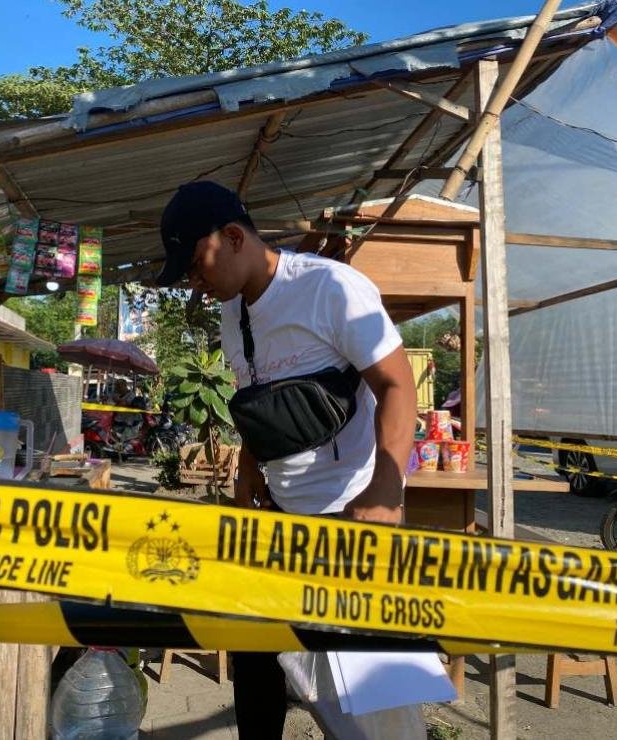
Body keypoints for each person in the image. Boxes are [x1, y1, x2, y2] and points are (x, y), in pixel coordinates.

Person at [157, 181, 420, 738]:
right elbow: (258, 396)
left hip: (349, 517)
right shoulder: (234, 312)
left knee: (374, 704)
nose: (193, 282)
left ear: (232, 237)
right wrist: (250, 472)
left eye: (196, 264)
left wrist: (385, 491)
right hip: (277, 522)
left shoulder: (331, 288)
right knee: (259, 668)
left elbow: (398, 387)